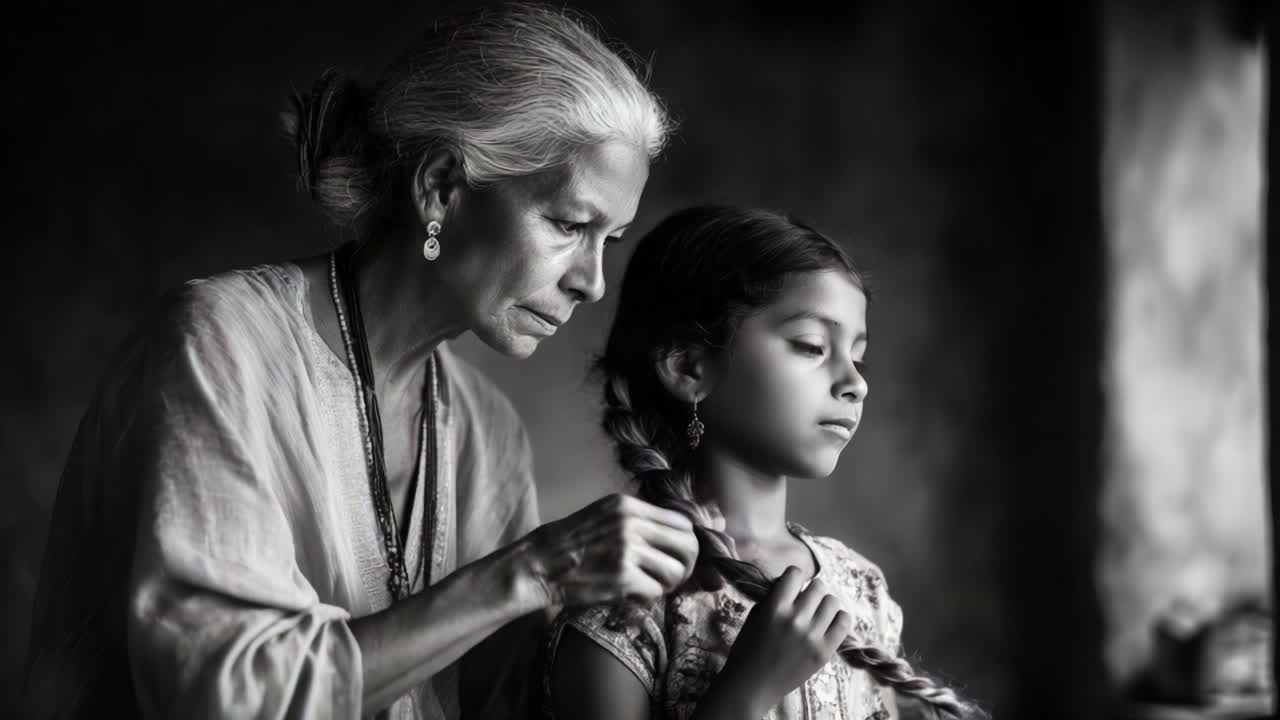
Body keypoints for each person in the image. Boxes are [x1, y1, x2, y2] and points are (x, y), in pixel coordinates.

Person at [21, 4, 702, 718]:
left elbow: (504, 705)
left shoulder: (482, 430)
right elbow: (225, 698)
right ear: (440, 186)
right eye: (569, 225)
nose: (591, 281)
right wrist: (533, 569)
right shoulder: (220, 345)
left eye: (611, 240)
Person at [545, 206, 984, 720]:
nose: (856, 383)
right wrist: (748, 692)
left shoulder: (858, 586)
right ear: (690, 368)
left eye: (858, 357)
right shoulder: (625, 600)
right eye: (812, 346)